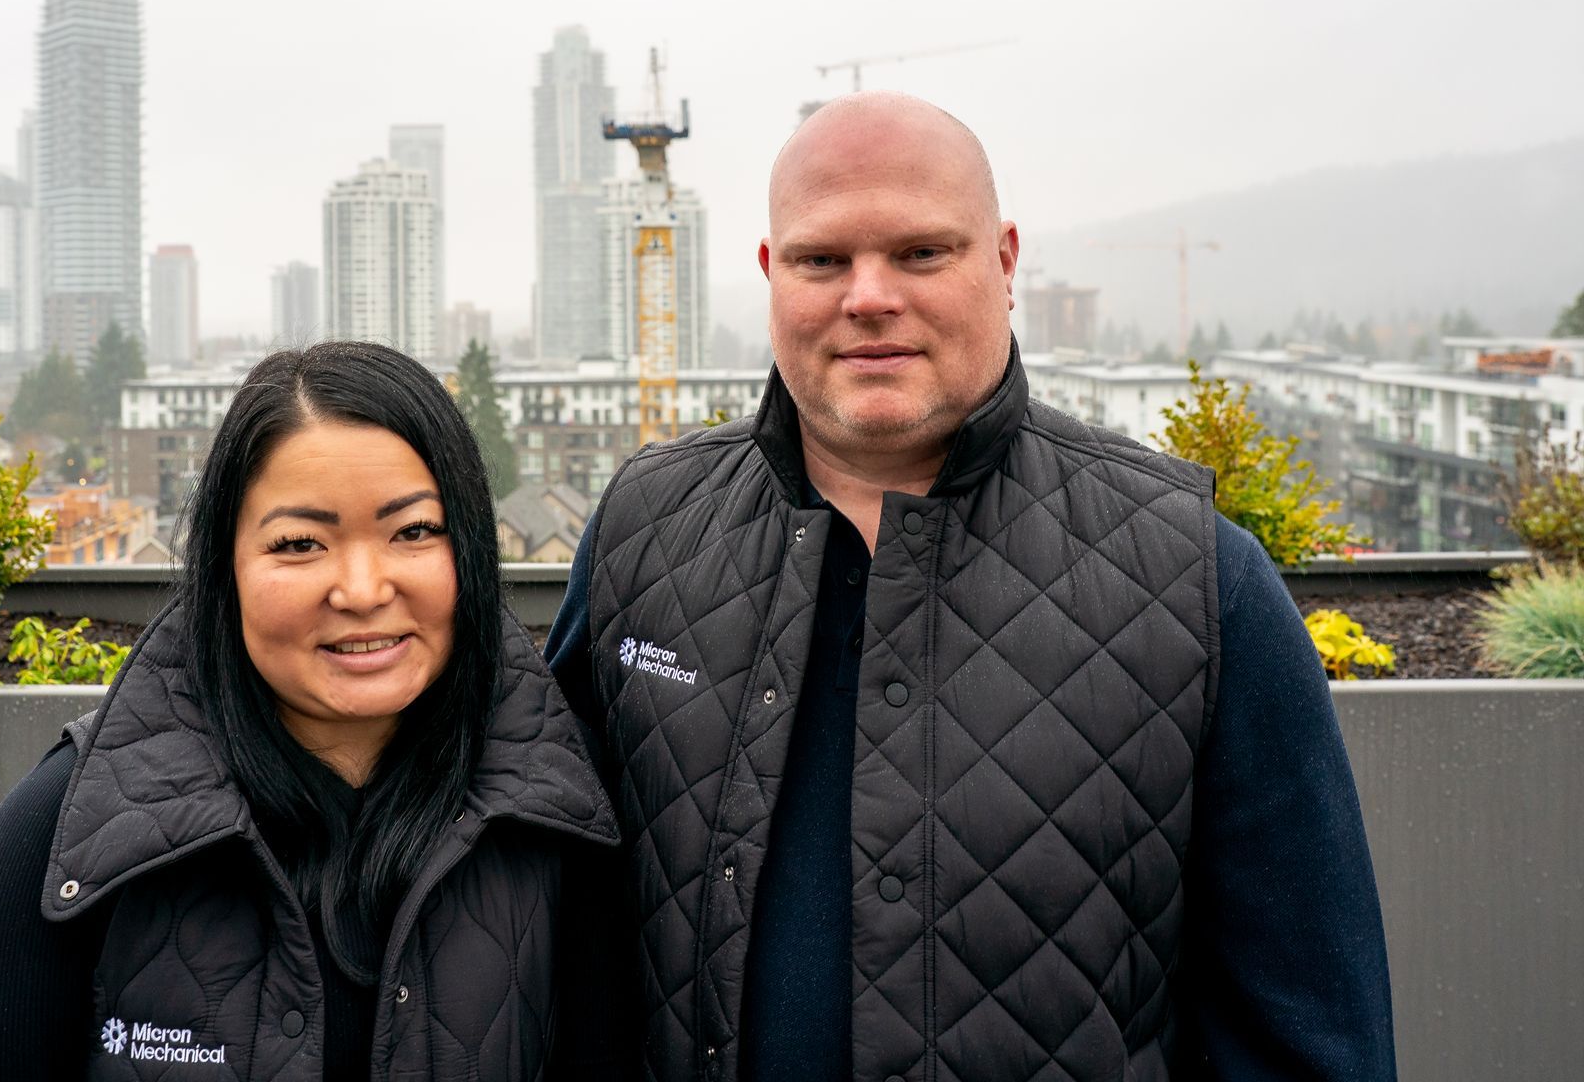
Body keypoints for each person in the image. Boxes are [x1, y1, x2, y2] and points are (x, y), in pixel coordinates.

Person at [547, 93, 1398, 1080]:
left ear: (1003, 260)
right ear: (773, 273)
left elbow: (1306, 1033)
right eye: (824, 258)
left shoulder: (1196, 576)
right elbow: (552, 910)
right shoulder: (643, 531)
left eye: (920, 253)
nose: (869, 294)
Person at [0, 341, 630, 1081]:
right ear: (226, 570)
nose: (360, 588)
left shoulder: (559, 825)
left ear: (470, 552)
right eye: (300, 543)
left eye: (413, 531)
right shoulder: (76, 828)